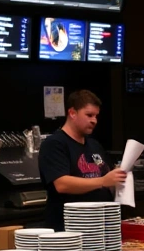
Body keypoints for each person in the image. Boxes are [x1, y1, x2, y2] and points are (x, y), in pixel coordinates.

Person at [39, 90, 127, 231]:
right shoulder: (55, 143)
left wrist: (118, 177)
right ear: (72, 113)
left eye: (96, 116)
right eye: (89, 115)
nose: (94, 120)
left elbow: (106, 175)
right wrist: (103, 181)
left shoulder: (94, 145)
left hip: (100, 226)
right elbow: (62, 184)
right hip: (69, 230)